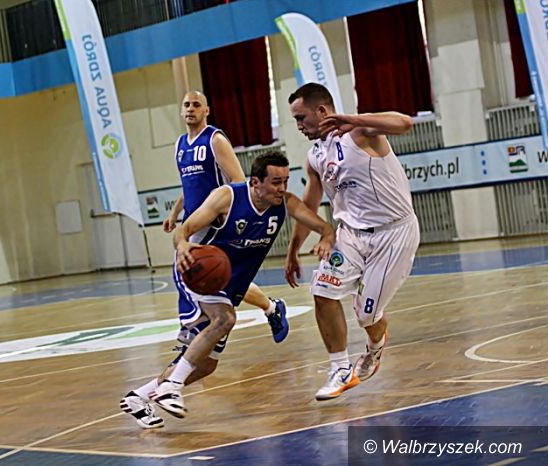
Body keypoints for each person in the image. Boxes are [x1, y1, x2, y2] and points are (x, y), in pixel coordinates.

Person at [121, 152, 335, 428]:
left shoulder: (286, 203)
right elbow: (183, 230)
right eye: (275, 182)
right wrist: (182, 245)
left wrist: (325, 238)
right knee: (225, 319)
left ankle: (139, 397)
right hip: (196, 272)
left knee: (206, 365)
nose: (282, 188)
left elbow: (324, 226)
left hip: (230, 285)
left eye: (285, 181)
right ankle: (171, 387)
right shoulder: (226, 197)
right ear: (255, 182)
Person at [285, 83, 420, 401]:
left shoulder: (360, 132)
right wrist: (293, 249)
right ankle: (340, 369)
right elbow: (309, 205)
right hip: (350, 236)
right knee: (322, 291)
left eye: (301, 118)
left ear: (322, 111)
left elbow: (405, 123)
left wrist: (354, 119)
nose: (299, 126)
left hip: (393, 233)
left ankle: (375, 345)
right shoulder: (315, 156)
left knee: (366, 315)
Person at [163, 91, 289, 344]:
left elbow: (239, 179)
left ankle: (192, 331)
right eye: (186, 105)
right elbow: (189, 185)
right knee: (216, 276)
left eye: (196, 105)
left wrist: (228, 213)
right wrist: (175, 212)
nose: (191, 109)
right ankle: (271, 307)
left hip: (217, 220)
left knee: (190, 268)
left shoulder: (215, 139)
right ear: (181, 110)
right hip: (194, 219)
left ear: (206, 110)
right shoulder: (180, 145)